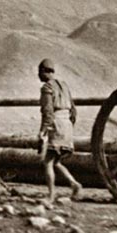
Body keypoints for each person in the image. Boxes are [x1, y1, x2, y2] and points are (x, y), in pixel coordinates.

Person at [37, 58, 83, 203]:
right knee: (56, 161)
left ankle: (50, 196)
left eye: (39, 72)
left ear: (44, 72)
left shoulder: (47, 88)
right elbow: (74, 111)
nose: (38, 76)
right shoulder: (64, 86)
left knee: (47, 162)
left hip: (56, 125)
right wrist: (68, 126)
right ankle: (74, 184)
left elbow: (48, 111)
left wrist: (43, 131)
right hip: (67, 125)